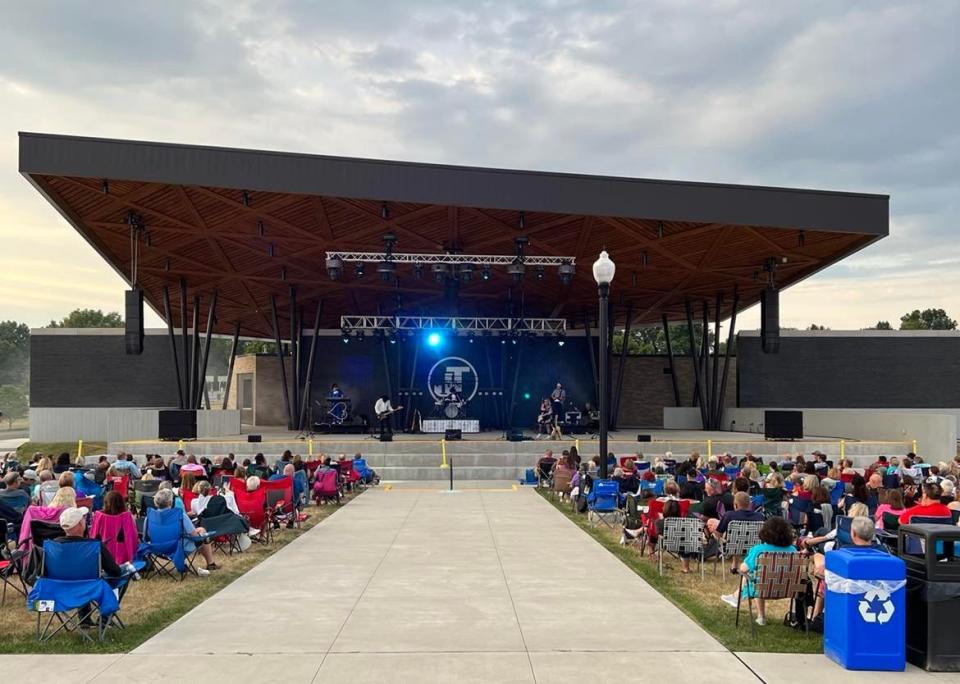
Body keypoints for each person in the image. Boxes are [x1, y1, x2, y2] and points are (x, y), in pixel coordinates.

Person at [720, 516, 797, 625]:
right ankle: (736, 596)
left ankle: (757, 613)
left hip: (762, 589)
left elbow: (743, 569)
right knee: (760, 576)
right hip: (789, 589)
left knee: (757, 576)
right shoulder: (793, 550)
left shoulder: (759, 550)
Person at [152, 488, 217, 575]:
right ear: (170, 502)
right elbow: (194, 535)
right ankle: (211, 563)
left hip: (158, 549)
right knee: (202, 531)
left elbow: (147, 536)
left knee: (191, 533)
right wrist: (202, 534)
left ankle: (183, 564)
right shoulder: (179, 515)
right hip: (178, 548)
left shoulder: (150, 517)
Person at [709, 491, 765, 572]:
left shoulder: (729, 515)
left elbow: (718, 534)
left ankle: (734, 565)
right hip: (753, 547)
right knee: (737, 536)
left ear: (735, 505)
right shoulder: (760, 517)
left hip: (732, 546)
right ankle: (736, 565)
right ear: (750, 504)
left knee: (733, 538)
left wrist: (713, 530)